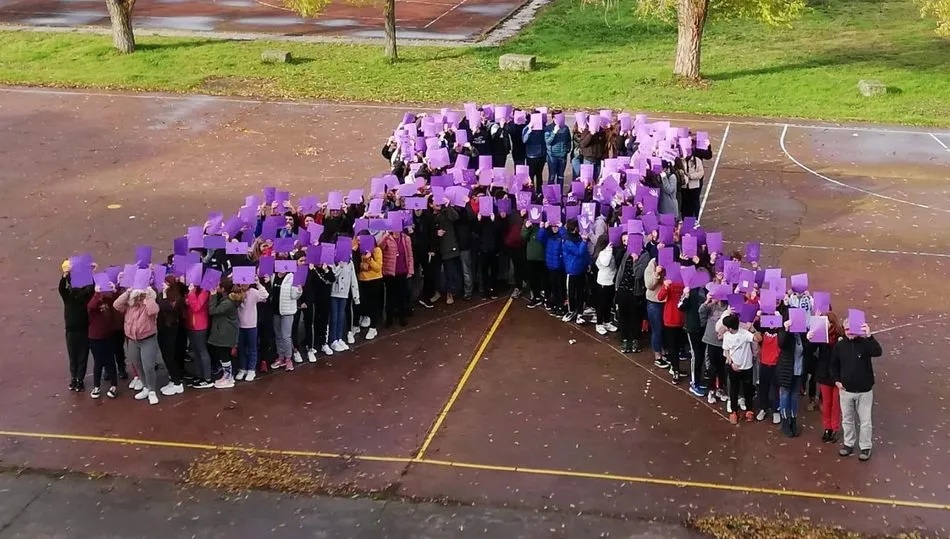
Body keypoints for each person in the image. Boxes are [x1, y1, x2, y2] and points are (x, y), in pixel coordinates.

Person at [831, 317, 882, 461]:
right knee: (847, 420)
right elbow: (833, 365)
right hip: (846, 390)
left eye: (852, 329)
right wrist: (836, 381)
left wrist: (870, 336)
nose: (850, 332)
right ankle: (848, 444)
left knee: (865, 421)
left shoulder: (865, 344)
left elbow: (878, 351)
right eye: (847, 329)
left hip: (864, 391)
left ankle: (865, 447)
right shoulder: (839, 346)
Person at [113, 285, 161, 405]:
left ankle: (151, 391)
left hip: (147, 339)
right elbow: (116, 305)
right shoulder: (130, 305)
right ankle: (145, 386)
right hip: (133, 339)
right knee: (137, 364)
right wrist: (128, 292)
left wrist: (147, 296)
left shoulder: (148, 303)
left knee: (148, 366)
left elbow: (153, 310)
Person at [60, 260, 94, 392]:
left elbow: (62, 288)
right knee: (79, 356)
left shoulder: (73, 296)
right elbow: (62, 288)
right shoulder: (72, 296)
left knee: (76, 355)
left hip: (76, 329)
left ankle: (77, 378)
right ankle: (77, 378)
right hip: (77, 329)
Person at [776, 311, 809, 438]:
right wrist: (786, 329)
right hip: (786, 370)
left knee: (794, 396)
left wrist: (809, 337)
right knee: (785, 395)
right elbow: (781, 343)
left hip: (799, 371)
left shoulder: (802, 333)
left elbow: (807, 349)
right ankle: (785, 422)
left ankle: (793, 421)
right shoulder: (784, 331)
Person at [720, 314, 758, 424]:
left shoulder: (745, 333)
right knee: (733, 390)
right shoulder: (727, 336)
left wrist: (752, 329)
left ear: (730, 328)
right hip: (733, 367)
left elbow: (757, 338)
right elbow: (726, 351)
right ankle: (734, 411)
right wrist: (731, 362)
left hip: (747, 367)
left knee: (748, 390)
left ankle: (749, 410)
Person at [614, 240, 649, 353]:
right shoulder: (627, 252)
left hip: (635, 292)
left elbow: (639, 274)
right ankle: (625, 340)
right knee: (623, 316)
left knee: (635, 317)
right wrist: (617, 286)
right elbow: (621, 269)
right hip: (623, 290)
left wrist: (635, 261)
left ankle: (635, 340)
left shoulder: (645, 255)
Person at [208, 279, 242, 389]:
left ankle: (228, 377)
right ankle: (227, 375)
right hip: (225, 331)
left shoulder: (227, 303)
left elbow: (213, 311)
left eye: (218, 285)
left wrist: (212, 296)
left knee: (224, 355)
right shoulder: (227, 299)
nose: (216, 287)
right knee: (224, 355)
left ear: (223, 289)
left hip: (225, 333)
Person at [87, 284, 119, 399]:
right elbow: (91, 307)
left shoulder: (107, 300)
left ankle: (114, 385)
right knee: (98, 362)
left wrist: (114, 290)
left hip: (108, 335)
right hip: (95, 337)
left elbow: (116, 303)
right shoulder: (93, 302)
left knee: (110, 361)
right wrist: (97, 294)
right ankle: (96, 386)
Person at [157, 276, 186, 396]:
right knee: (165, 355)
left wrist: (163, 294)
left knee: (170, 356)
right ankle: (173, 379)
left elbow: (168, 308)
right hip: (162, 328)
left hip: (171, 328)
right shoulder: (162, 295)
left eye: (166, 283)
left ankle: (177, 383)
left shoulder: (176, 297)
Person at [237, 277, 269, 381]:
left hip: (251, 325)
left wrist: (258, 284)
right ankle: (242, 369)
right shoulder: (236, 292)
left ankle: (251, 369)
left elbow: (265, 295)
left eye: (246, 282)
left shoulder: (254, 292)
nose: (244, 284)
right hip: (239, 325)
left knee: (252, 348)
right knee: (241, 348)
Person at [380, 230, 414, 327]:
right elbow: (380, 247)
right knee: (390, 297)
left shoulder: (406, 238)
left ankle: (402, 317)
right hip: (389, 272)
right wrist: (385, 235)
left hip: (402, 271)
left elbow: (410, 255)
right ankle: (389, 319)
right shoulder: (387, 237)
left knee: (401, 296)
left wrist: (410, 270)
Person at [699, 295, 728, 405]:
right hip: (711, 340)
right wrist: (708, 301)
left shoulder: (728, 307)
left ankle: (720, 389)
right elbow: (701, 311)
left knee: (722, 367)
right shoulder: (711, 306)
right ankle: (711, 390)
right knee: (711, 367)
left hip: (723, 342)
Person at [656, 275, 686, 383]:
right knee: (674, 347)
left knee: (676, 347)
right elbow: (660, 297)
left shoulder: (684, 283)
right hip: (672, 319)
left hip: (678, 320)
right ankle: (675, 369)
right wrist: (666, 286)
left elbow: (660, 297)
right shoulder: (670, 282)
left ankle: (676, 368)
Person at [271, 268, 302, 369]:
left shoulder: (292, 277)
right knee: (278, 335)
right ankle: (281, 357)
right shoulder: (273, 276)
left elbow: (294, 296)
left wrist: (298, 290)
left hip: (287, 311)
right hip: (276, 311)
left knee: (286, 336)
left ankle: (288, 359)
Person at [561, 219, 590, 324]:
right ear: (575, 228)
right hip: (572, 271)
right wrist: (584, 241)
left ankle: (580, 313)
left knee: (581, 292)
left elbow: (585, 253)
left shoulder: (578, 237)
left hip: (581, 269)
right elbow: (579, 252)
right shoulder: (567, 241)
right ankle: (571, 311)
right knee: (571, 293)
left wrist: (588, 263)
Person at [184, 283, 213, 389]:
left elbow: (196, 307)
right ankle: (199, 375)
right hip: (191, 324)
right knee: (195, 352)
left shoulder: (204, 291)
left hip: (200, 325)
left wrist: (191, 293)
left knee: (202, 351)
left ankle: (207, 378)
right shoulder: (193, 291)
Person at [330, 255, 360, 352]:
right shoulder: (332, 262)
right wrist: (340, 266)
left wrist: (356, 296)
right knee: (334, 317)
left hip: (344, 293)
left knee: (341, 316)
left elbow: (353, 279)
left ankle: (339, 338)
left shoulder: (350, 262)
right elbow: (333, 276)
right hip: (334, 293)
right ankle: (333, 340)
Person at [356, 239, 384, 340]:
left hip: (375, 280)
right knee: (364, 302)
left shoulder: (377, 250)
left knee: (374, 304)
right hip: (363, 279)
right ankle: (364, 318)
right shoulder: (359, 251)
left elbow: (378, 267)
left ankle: (373, 328)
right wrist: (364, 265)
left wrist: (369, 260)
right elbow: (359, 265)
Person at [537, 220, 565, 316]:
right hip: (551, 266)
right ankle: (555, 304)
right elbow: (540, 238)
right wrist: (542, 228)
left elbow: (566, 237)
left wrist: (561, 228)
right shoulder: (548, 236)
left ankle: (561, 306)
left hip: (560, 266)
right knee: (553, 286)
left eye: (556, 226)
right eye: (553, 226)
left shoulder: (562, 236)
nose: (554, 228)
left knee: (561, 287)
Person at [592, 235, 617, 335]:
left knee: (608, 304)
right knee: (601, 305)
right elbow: (606, 263)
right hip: (603, 282)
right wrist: (608, 250)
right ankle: (599, 324)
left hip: (611, 282)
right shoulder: (602, 253)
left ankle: (607, 322)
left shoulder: (607, 252)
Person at [644, 257, 666, 368]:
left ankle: (664, 350)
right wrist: (657, 274)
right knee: (657, 329)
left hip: (668, 302)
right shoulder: (652, 265)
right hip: (654, 302)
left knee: (666, 329)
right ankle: (658, 355)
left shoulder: (673, 264)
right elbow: (649, 285)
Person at [521, 217, 547, 308]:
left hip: (543, 256)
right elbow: (523, 236)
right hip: (531, 256)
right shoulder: (529, 223)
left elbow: (544, 238)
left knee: (543, 279)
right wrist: (527, 227)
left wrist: (543, 228)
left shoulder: (545, 221)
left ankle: (544, 297)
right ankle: (536, 297)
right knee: (533, 278)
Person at [544, 114, 572, 186]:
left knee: (561, 176)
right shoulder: (548, 128)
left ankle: (560, 193)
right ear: (553, 118)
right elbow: (548, 142)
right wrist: (554, 132)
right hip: (552, 156)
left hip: (562, 155)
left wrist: (567, 149)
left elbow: (569, 140)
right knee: (552, 176)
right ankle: (550, 194)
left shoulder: (565, 128)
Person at [522, 123, 547, 193]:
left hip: (541, 156)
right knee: (531, 176)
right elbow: (524, 140)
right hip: (531, 156)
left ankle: (539, 193)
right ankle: (531, 193)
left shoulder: (542, 128)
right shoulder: (526, 128)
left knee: (539, 175)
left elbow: (545, 140)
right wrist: (530, 130)